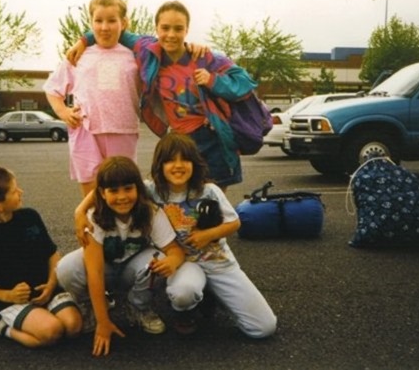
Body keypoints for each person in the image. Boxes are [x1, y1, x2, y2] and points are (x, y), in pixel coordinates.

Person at [74, 133, 277, 338]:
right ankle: (185, 310)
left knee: (263, 328)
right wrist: (80, 211)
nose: (178, 166)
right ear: (160, 165)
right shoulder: (152, 189)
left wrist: (208, 235)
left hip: (218, 263)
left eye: (185, 159)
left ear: (195, 163)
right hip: (182, 263)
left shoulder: (209, 191)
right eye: (170, 160)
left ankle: (211, 295)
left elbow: (234, 222)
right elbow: (110, 185)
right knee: (183, 293)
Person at [68, 0, 258, 190]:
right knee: (178, 196)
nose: (171, 35)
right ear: (156, 28)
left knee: (214, 195)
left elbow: (245, 82)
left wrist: (213, 80)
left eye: (178, 28)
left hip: (210, 136)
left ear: (187, 30)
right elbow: (113, 29)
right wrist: (83, 40)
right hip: (178, 138)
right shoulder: (147, 51)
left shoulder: (204, 58)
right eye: (165, 28)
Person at [56, 156, 186, 356]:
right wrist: (103, 322)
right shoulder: (94, 217)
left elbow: (174, 249)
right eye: (114, 191)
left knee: (159, 259)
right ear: (102, 193)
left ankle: (138, 306)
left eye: (128, 188)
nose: (122, 196)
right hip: (105, 269)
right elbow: (94, 272)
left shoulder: (150, 212)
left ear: (138, 189)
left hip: (131, 270)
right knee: (66, 268)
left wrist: (172, 261)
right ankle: (91, 306)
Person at [0, 166, 82, 348]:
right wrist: (9, 295)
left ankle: (41, 315)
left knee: (73, 327)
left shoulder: (30, 216)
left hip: (47, 289)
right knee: (52, 332)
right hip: (14, 301)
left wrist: (51, 284)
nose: (21, 192)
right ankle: (1, 325)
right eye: (14, 191)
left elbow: (52, 254)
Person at [44, 0, 141, 197]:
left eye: (111, 21)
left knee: (122, 190)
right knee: (92, 194)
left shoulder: (135, 56)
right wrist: (63, 112)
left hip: (123, 130)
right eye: (98, 20)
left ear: (123, 23)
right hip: (85, 131)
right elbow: (52, 89)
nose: (104, 27)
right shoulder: (78, 56)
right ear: (91, 23)